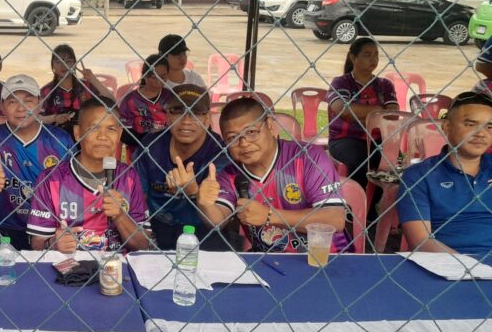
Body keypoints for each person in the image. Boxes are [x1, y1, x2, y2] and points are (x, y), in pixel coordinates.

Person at [197, 97, 349, 253]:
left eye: (251, 132)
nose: (244, 143)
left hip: (325, 258)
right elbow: (218, 220)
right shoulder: (230, 174)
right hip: (265, 260)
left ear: (269, 125)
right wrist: (205, 204)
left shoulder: (308, 157)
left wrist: (270, 216)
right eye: (232, 138)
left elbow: (334, 219)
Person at [27, 96, 152, 252]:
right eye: (94, 128)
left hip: (117, 265)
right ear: (78, 133)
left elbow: (143, 244)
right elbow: (37, 242)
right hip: (70, 265)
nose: (103, 137)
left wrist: (120, 215)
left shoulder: (128, 177)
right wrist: (53, 243)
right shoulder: (51, 179)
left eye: (111, 129)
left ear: (120, 134)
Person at [0, 74, 72, 249]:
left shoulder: (60, 140)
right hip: (3, 227)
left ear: (40, 104)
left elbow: (74, 187)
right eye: (12, 102)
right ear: (1, 106)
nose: (21, 108)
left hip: (50, 227)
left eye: (28, 101)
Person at [134, 84, 231, 250]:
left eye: (196, 113)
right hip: (156, 226)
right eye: (177, 111)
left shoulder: (220, 153)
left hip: (202, 231)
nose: (186, 121)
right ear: (167, 116)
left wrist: (193, 192)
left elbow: (217, 220)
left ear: (208, 118)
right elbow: (138, 197)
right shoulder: (151, 145)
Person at [397, 91, 492, 256]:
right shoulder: (419, 176)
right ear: (446, 127)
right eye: (470, 124)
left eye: (489, 127)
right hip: (446, 263)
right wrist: (468, 266)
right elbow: (421, 241)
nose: (481, 133)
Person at [326, 37, 398, 187]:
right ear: (353, 57)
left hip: (377, 139)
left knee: (393, 162)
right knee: (359, 160)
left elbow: (392, 115)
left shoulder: (385, 85)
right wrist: (378, 110)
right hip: (345, 138)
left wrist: (358, 113)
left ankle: (376, 200)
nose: (373, 59)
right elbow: (344, 111)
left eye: (376, 55)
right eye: (367, 55)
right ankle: (357, 199)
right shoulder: (341, 82)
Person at [40, 44, 113, 129]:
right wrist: (54, 118)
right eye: (58, 62)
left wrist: (93, 79)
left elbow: (112, 104)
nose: (63, 65)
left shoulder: (87, 86)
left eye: (68, 61)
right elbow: (35, 118)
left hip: (86, 133)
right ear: (52, 66)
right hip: (56, 135)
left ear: (75, 64)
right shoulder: (46, 91)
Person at [118, 53, 168, 144]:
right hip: (140, 148)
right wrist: (149, 139)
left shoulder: (170, 97)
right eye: (154, 77)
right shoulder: (130, 101)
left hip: (167, 147)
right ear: (144, 76)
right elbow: (124, 134)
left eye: (163, 77)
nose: (159, 81)